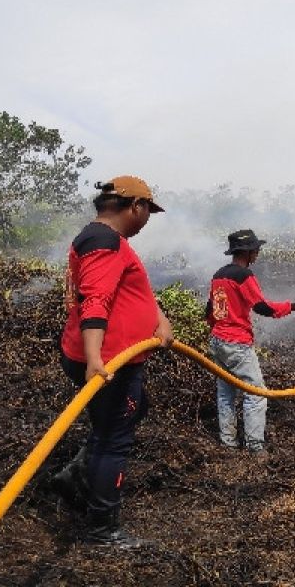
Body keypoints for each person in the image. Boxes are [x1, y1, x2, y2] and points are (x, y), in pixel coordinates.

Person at [54, 176, 174, 549]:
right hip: (109, 363)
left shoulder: (106, 240)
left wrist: (159, 317)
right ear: (135, 207)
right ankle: (102, 529)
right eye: (148, 211)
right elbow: (96, 301)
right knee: (114, 441)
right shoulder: (105, 241)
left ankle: (77, 473)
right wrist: (94, 360)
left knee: (130, 414)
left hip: (115, 358)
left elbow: (129, 289)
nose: (147, 219)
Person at [206, 229, 295, 454]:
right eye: (256, 250)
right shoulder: (243, 276)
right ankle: (255, 447)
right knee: (257, 394)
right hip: (237, 344)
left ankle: (228, 444)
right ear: (248, 252)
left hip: (218, 341)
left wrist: (219, 331)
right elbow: (262, 307)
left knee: (225, 393)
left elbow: (210, 310)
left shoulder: (218, 275)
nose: (258, 254)